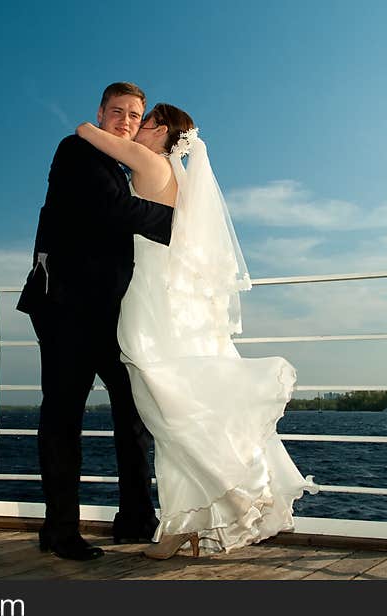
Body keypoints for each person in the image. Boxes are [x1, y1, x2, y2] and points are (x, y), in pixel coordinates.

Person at [76, 103, 317, 559]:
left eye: (141, 121)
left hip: (153, 302)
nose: (133, 127)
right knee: (175, 413)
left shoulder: (148, 161)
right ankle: (185, 523)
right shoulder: (178, 173)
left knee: (168, 413)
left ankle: (209, 506)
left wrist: (93, 123)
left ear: (160, 130)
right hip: (174, 301)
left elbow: (90, 134)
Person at [16, 83, 175, 561]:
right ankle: (60, 530)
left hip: (108, 312)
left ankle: (135, 517)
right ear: (101, 113)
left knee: (134, 411)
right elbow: (110, 210)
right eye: (118, 112)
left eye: (134, 114)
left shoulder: (118, 163)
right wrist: (179, 221)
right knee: (64, 418)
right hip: (66, 306)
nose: (125, 121)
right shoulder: (77, 151)